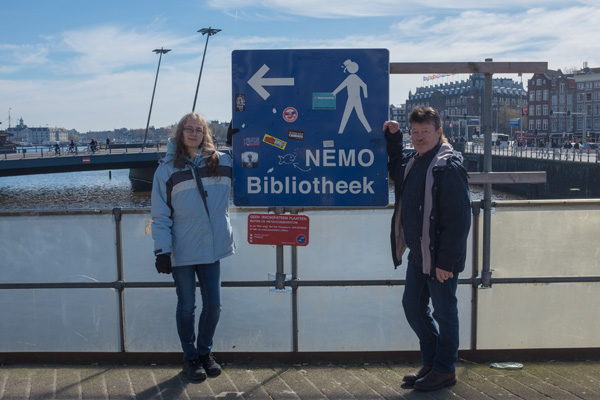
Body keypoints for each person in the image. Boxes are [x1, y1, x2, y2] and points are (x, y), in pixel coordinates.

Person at [382, 106, 471, 392]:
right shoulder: (414, 161)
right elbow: (395, 165)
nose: (419, 137)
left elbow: (458, 221)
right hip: (418, 255)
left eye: (425, 132)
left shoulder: (449, 167)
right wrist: (394, 138)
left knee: (445, 313)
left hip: (440, 259)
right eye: (415, 132)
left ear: (439, 132)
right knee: (413, 307)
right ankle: (432, 362)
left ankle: (445, 369)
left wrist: (446, 262)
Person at [151, 112, 235, 382]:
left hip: (212, 246)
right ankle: (190, 358)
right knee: (187, 305)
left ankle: (205, 352)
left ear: (205, 134)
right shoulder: (166, 170)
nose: (194, 133)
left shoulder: (221, 161)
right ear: (180, 133)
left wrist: (240, 142)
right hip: (182, 249)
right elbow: (160, 215)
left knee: (214, 306)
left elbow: (251, 163)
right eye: (189, 129)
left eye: (199, 129)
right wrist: (162, 251)